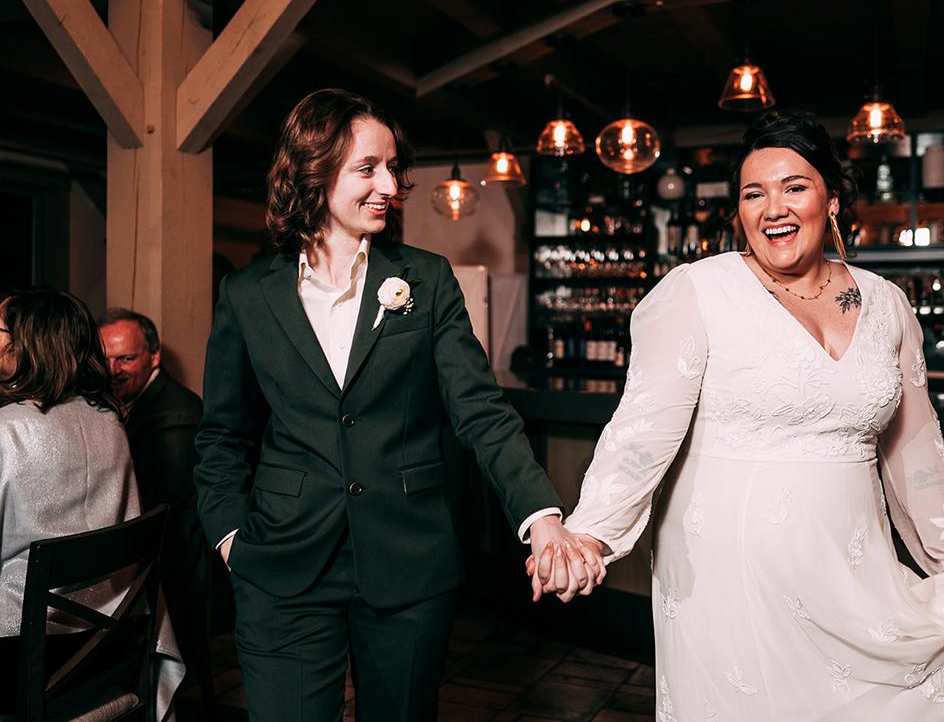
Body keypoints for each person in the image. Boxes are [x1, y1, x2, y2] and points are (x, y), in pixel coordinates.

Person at [561, 110, 944, 720]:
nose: (772, 209)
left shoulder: (886, 304)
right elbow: (642, 429)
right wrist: (590, 534)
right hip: (728, 577)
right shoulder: (698, 291)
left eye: (794, 187)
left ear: (832, 201)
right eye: (753, 193)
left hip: (855, 572)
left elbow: (915, 448)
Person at [193, 88, 601, 721]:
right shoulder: (247, 294)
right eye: (368, 168)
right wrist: (229, 539)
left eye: (392, 167)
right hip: (280, 563)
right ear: (314, 170)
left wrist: (541, 514)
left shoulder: (427, 278)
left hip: (407, 562)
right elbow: (222, 435)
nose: (389, 184)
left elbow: (479, 409)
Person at [0, 288, 185, 719]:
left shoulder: (7, 432)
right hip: (109, 644)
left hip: (23, 658)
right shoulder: (108, 420)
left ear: (26, 343)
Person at [99, 308, 216, 713]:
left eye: (125, 359)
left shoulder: (176, 417)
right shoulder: (129, 403)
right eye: (105, 359)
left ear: (153, 357)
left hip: (173, 570)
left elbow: (150, 509)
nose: (113, 370)